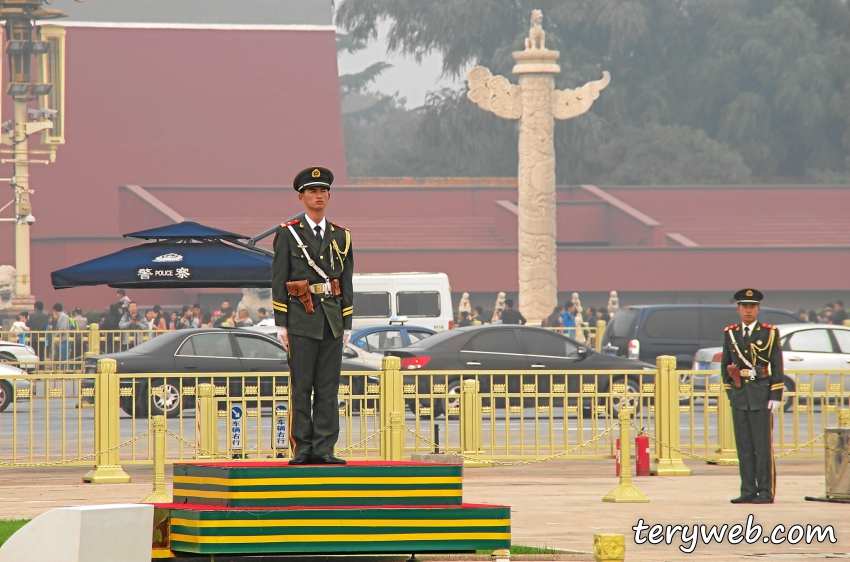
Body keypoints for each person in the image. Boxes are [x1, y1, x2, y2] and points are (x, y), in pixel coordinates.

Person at [273, 166, 353, 466]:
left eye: (323, 191)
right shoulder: (288, 233)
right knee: (302, 386)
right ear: (301, 196)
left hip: (331, 319)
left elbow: (346, 283)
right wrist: (281, 323)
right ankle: (303, 447)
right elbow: (279, 278)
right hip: (301, 320)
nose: (318, 196)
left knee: (328, 388)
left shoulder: (342, 236)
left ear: (329, 196)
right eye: (312, 191)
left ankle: (324, 447)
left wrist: (347, 324)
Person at [721, 288, 784, 504]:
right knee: (745, 446)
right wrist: (731, 393)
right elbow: (725, 367)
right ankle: (748, 490)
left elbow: (777, 365)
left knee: (762, 447)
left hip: (761, 395)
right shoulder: (730, 333)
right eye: (744, 306)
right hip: (740, 396)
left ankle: (765, 491)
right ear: (738, 309)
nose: (748, 310)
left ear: (758, 309)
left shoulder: (769, 332)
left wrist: (775, 395)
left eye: (752, 306)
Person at [51, 303, 71, 368]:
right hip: (61, 340)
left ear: (55, 310)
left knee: (64, 356)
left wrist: (55, 335)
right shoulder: (60, 317)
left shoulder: (64, 316)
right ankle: (63, 370)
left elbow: (63, 328)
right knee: (61, 356)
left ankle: (66, 371)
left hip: (64, 339)